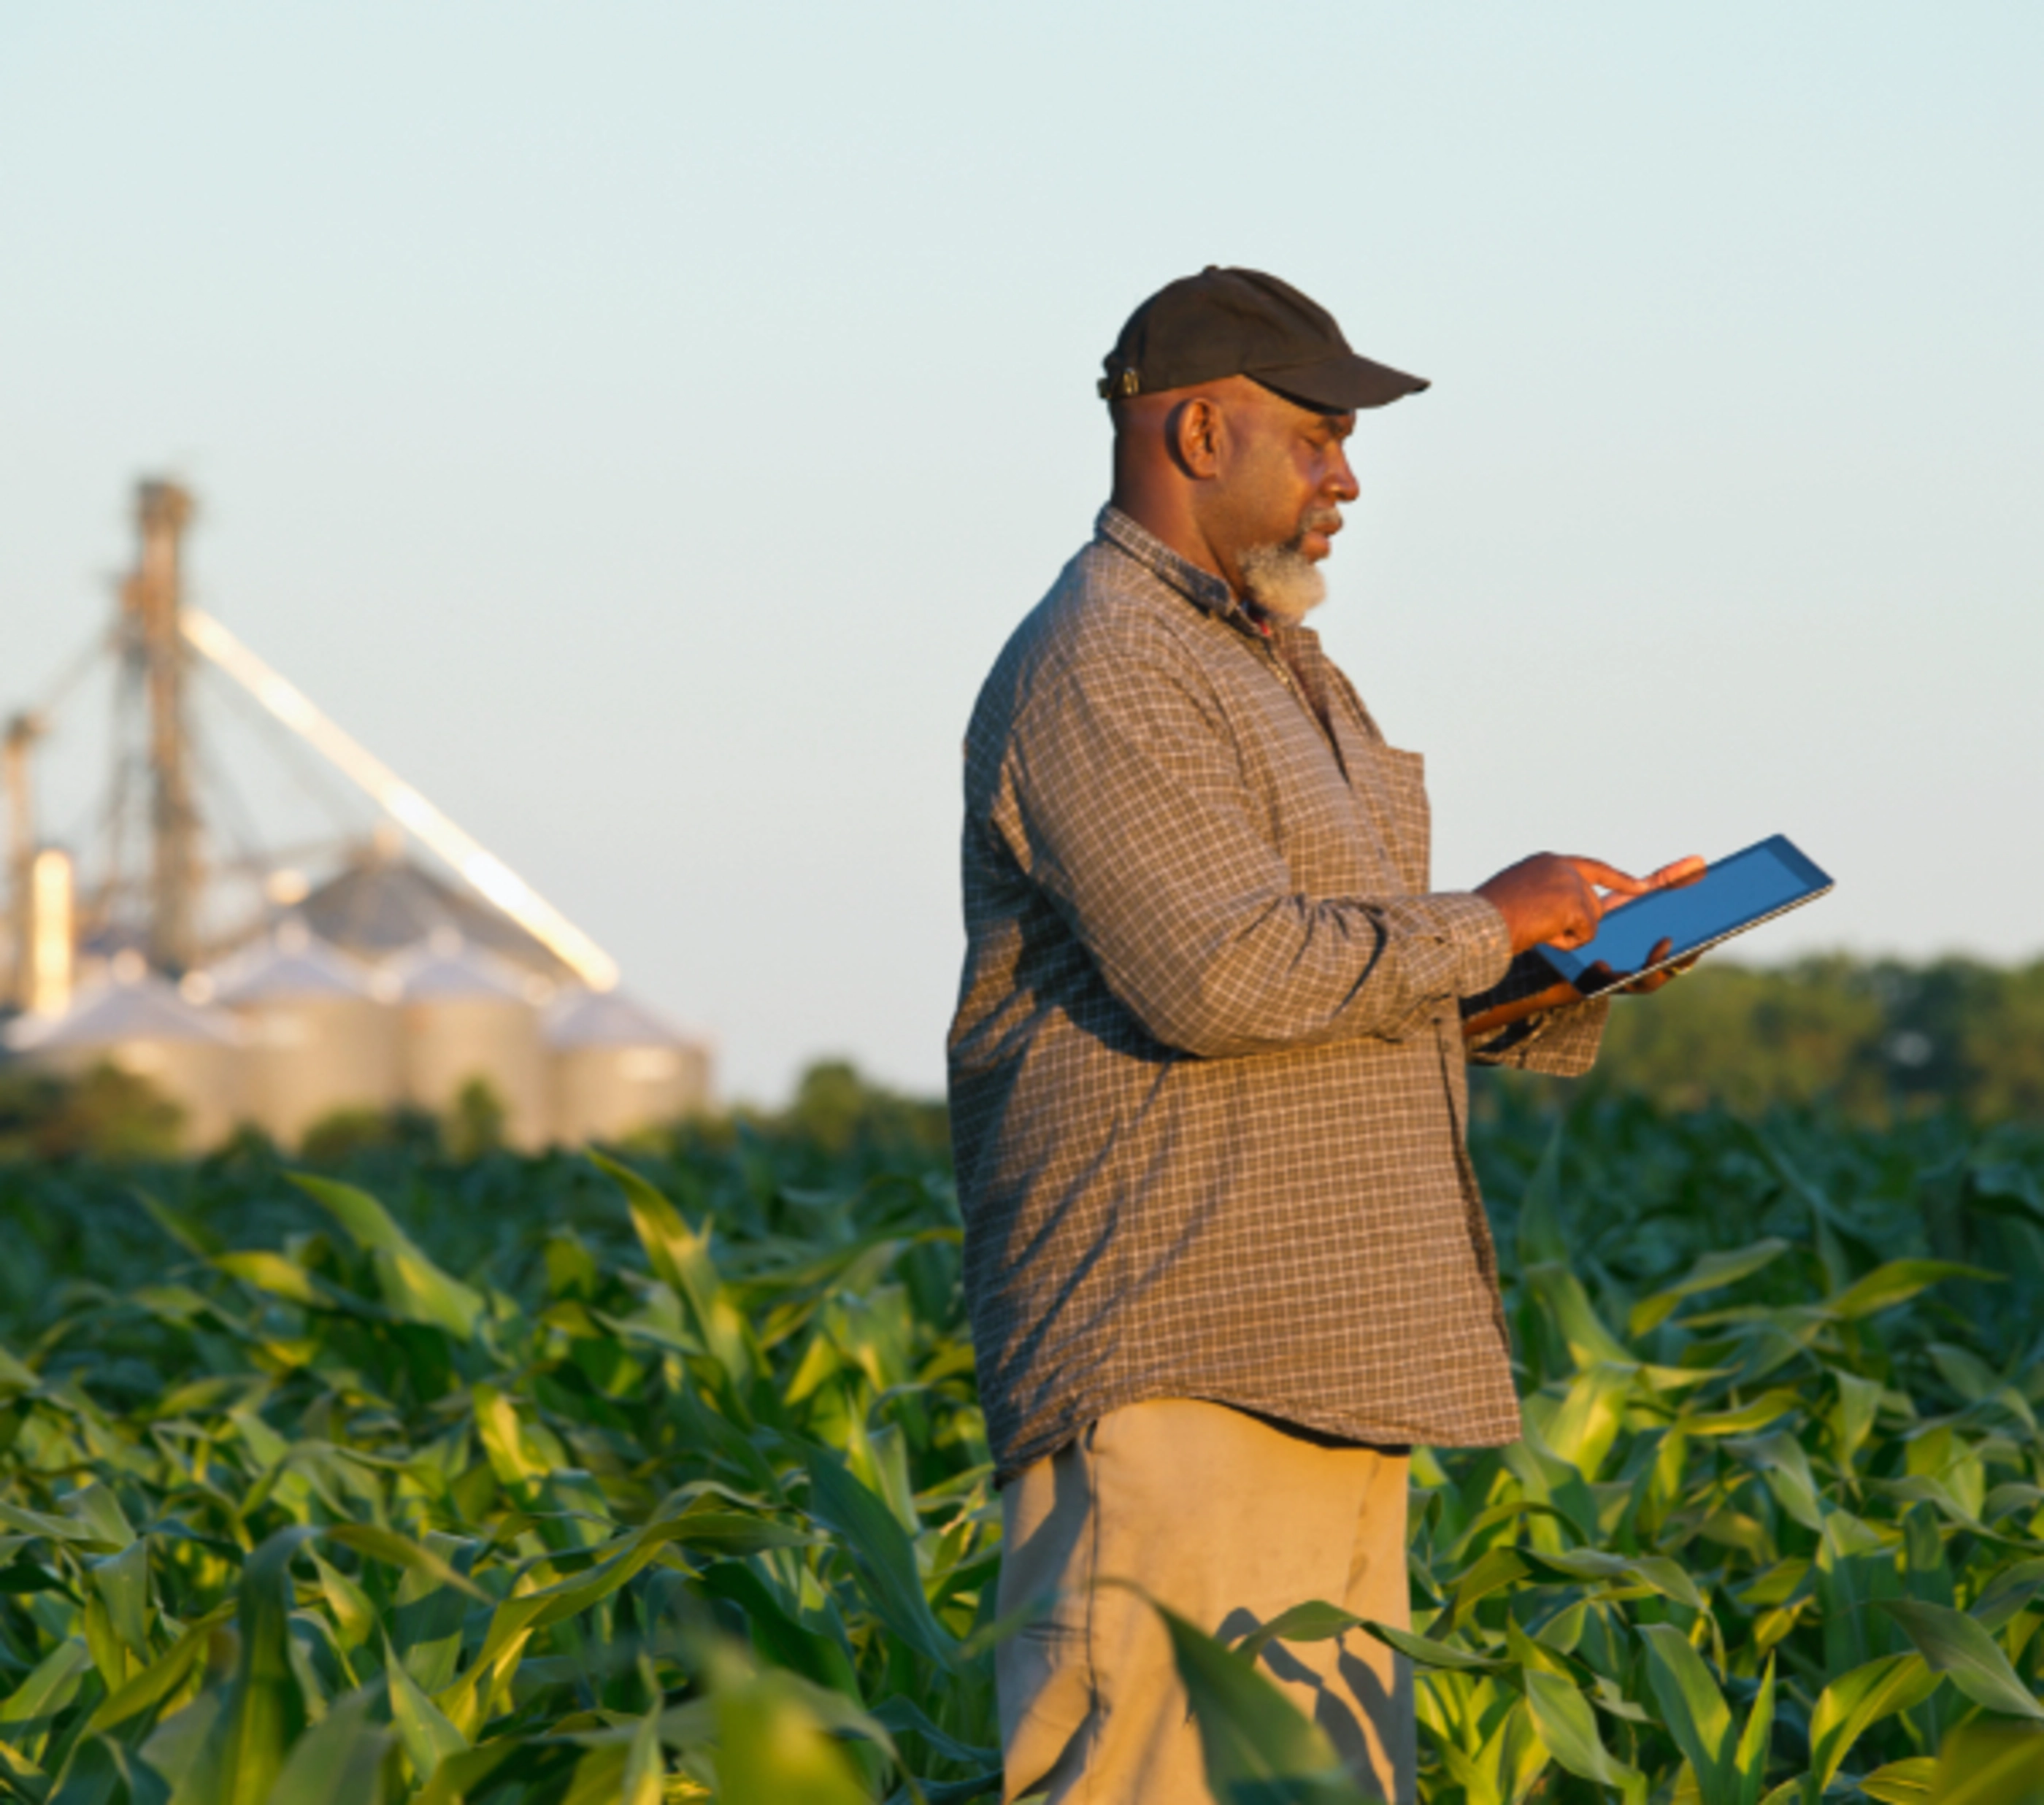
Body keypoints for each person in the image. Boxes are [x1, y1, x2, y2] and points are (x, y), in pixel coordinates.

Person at [946, 266, 1699, 1804]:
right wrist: (1489, 916)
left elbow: (1326, 987)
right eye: (1317, 435)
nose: (1345, 477)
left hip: (1322, 1350)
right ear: (1202, 430)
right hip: (1182, 1357)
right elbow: (1216, 979)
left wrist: (1556, 970)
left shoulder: (1267, 664)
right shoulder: (1108, 658)